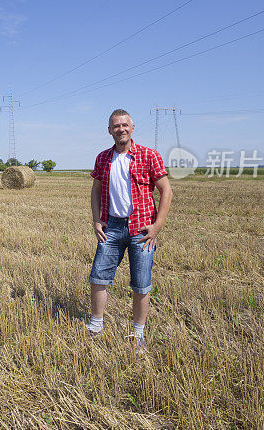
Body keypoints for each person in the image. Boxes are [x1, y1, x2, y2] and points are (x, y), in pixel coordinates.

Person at [86, 109, 173, 352]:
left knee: (141, 284)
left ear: (132, 127)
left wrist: (157, 226)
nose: (120, 129)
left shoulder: (148, 155)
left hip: (141, 230)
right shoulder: (103, 158)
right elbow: (95, 190)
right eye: (116, 126)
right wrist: (96, 219)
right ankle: (96, 326)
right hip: (111, 227)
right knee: (98, 278)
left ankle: (137, 335)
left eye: (124, 125)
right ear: (109, 130)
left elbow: (167, 191)